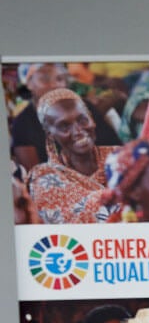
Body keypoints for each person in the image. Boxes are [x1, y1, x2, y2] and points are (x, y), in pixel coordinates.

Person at [25, 88, 120, 224]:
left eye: (82, 120)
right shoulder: (43, 178)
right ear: (50, 134)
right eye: (64, 126)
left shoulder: (119, 156)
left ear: (92, 119)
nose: (78, 131)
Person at [9, 63, 122, 172]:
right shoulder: (22, 124)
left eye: (59, 79)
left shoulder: (84, 107)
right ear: (28, 83)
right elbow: (33, 170)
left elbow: (111, 144)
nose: (54, 85)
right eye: (45, 79)